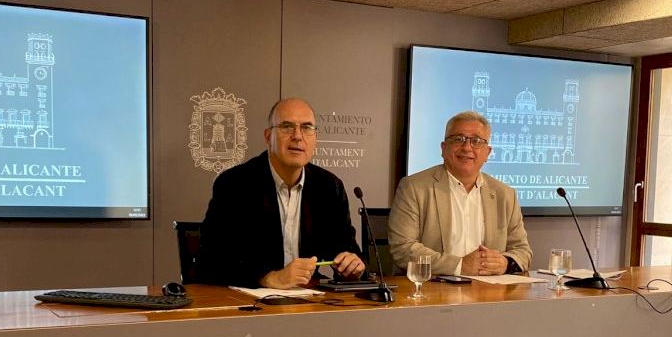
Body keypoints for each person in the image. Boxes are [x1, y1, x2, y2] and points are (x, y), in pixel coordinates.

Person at [197, 98, 366, 288]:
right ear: (268, 136)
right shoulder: (235, 184)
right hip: (249, 299)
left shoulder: (329, 187)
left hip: (309, 299)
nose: (297, 136)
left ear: (315, 139)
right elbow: (211, 260)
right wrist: (268, 278)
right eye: (287, 127)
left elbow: (345, 246)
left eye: (307, 128)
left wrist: (352, 265)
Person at [388, 110, 532, 276]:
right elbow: (403, 248)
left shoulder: (505, 194)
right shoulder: (414, 188)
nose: (467, 147)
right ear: (443, 148)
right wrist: (459, 266)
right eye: (458, 139)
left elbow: (522, 251)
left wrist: (504, 263)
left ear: (487, 153)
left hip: (488, 289)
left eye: (476, 141)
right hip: (431, 286)